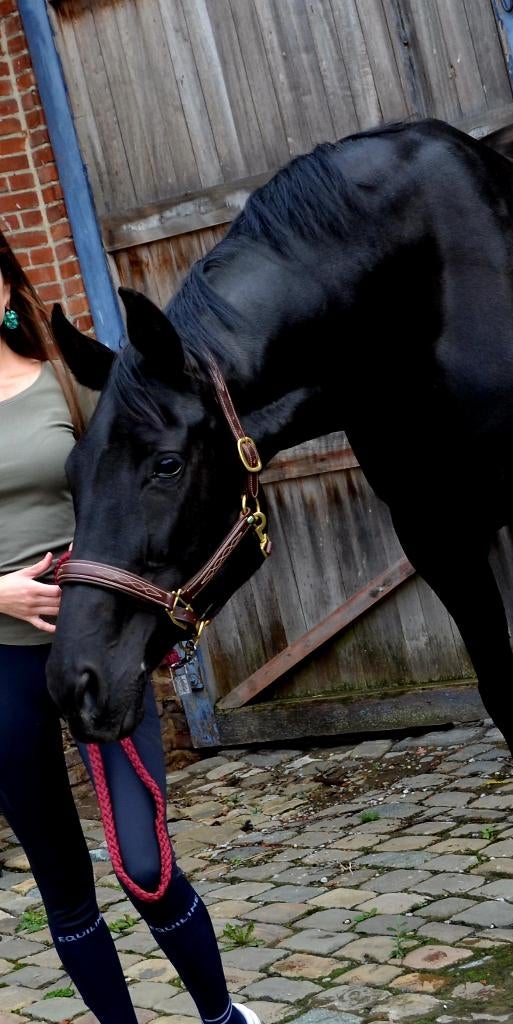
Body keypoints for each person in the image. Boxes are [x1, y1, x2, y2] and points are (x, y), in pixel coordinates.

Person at [0, 230, 260, 1024]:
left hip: (101, 646)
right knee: (62, 881)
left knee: (144, 865)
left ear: (6, 288)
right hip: (3, 663)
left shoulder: (72, 393)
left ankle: (222, 1017)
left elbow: (140, 489)